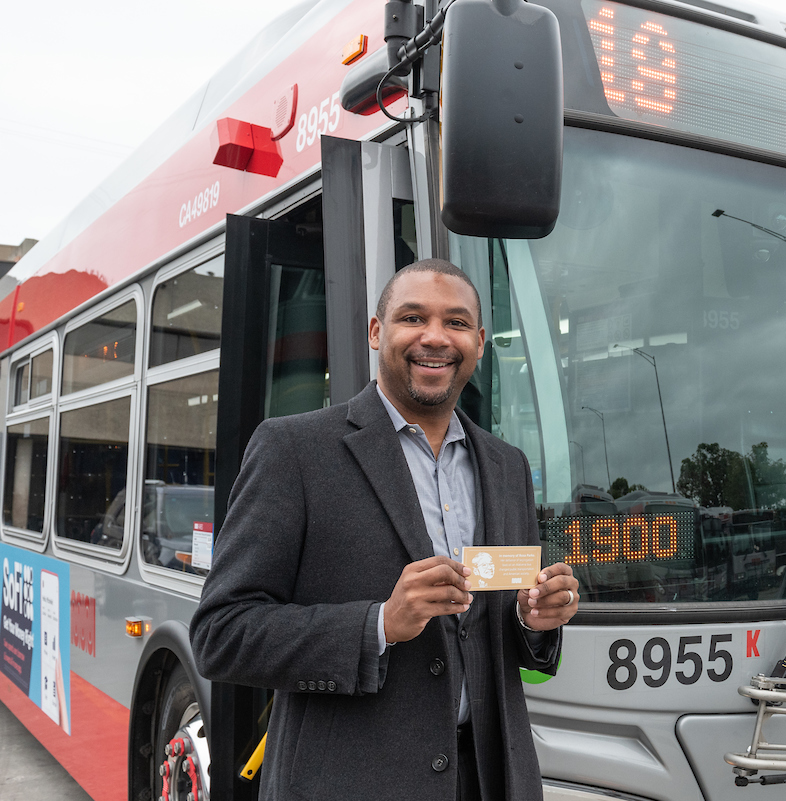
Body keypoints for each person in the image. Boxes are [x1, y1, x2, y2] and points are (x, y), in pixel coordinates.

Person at [191, 259, 579, 801]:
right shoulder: (293, 450)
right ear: (377, 332)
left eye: (458, 323)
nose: (436, 338)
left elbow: (495, 634)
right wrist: (379, 625)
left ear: (480, 342)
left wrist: (532, 619)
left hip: (491, 778)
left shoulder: (507, 466)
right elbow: (221, 635)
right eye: (413, 317)